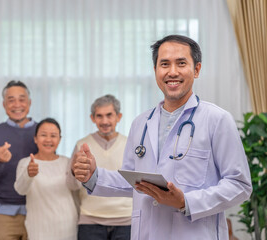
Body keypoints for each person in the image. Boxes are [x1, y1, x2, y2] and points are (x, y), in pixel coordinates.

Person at [72, 35, 252, 240]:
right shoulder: (140, 123)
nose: (172, 72)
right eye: (164, 64)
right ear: (156, 70)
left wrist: (186, 202)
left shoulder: (217, 120)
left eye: (181, 63)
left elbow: (240, 185)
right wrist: (93, 175)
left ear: (197, 69)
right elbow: (134, 181)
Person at [67, 94, 133, 240]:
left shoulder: (131, 145)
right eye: (99, 116)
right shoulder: (81, 145)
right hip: (90, 220)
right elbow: (71, 186)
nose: (104, 121)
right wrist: (74, 171)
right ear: (92, 118)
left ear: (119, 116)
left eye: (109, 115)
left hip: (126, 221)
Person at [0, 80, 38, 240]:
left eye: (22, 99)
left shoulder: (42, 133)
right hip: (3, 214)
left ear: (30, 103)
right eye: (11, 100)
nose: (17, 104)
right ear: (4, 105)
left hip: (37, 210)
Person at [14, 118, 78, 240]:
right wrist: (29, 174)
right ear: (35, 138)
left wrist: (76, 171)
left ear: (59, 139)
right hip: (39, 229)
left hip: (67, 227)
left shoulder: (67, 162)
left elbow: (75, 187)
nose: (48, 140)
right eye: (43, 135)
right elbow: (20, 190)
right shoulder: (26, 163)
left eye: (53, 135)